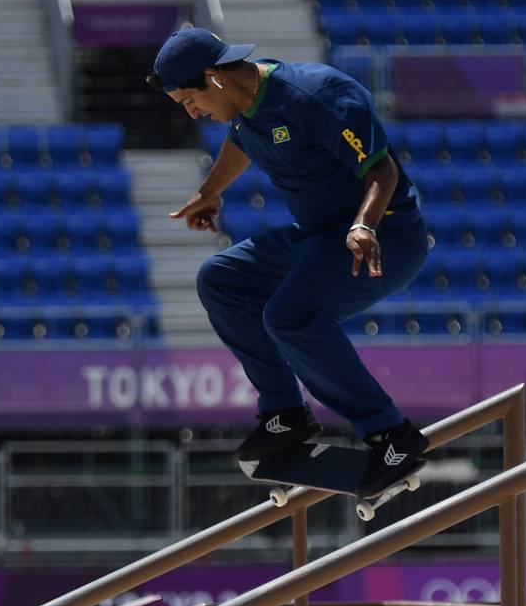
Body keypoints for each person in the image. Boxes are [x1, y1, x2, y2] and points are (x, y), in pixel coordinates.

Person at [147, 27, 430, 496]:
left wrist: (364, 225)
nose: (191, 112)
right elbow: (241, 144)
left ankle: (391, 435)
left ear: (214, 78)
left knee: (289, 316)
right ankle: (285, 415)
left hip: (386, 235)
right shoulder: (242, 108)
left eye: (188, 101)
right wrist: (209, 192)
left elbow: (382, 168)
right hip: (318, 239)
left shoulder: (315, 95)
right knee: (221, 278)